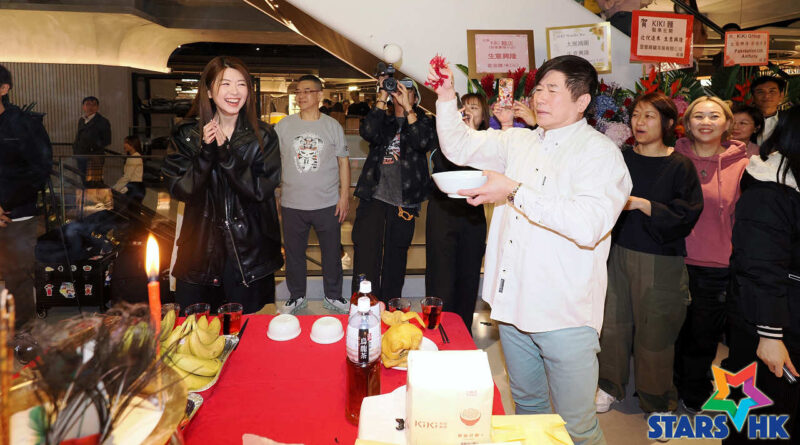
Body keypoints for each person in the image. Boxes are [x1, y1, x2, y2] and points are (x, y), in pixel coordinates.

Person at [429, 54, 632, 445]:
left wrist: (514, 191)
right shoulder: (519, 141)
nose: (540, 97)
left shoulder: (599, 154)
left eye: (552, 89)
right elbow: (459, 146)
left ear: (582, 101)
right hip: (512, 308)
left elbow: (588, 225)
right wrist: (445, 96)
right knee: (528, 411)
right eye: (538, 88)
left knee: (577, 426)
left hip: (564, 314)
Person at [595, 92, 703, 415]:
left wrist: (644, 205)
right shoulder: (621, 158)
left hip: (660, 259)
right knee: (612, 325)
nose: (639, 123)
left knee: (655, 332)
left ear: (668, 123)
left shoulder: (680, 165)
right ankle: (609, 386)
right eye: (636, 115)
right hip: (616, 253)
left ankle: (657, 400)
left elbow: (687, 214)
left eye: (649, 116)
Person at [162, 56, 282, 314]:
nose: (234, 92)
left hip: (249, 254)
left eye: (241, 84)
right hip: (200, 251)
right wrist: (206, 153)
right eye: (225, 84)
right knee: (197, 329)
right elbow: (181, 189)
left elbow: (260, 190)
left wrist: (226, 154)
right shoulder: (186, 134)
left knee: (246, 329)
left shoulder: (263, 135)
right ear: (208, 91)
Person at [723, 106, 800, 444]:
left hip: (787, 314)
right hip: (772, 322)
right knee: (763, 413)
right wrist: (770, 335)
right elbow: (759, 266)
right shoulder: (770, 189)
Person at [672, 96, 749, 414]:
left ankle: (694, 388)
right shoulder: (672, 159)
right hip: (672, 260)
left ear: (727, 123)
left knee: (703, 335)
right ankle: (665, 386)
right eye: (699, 116)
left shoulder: (744, 165)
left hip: (717, 265)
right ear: (687, 123)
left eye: (714, 116)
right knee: (670, 331)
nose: (706, 122)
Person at [351, 77, 435, 302]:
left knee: (395, 258)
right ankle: (364, 304)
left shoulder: (425, 122)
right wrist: (382, 96)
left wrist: (408, 109)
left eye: (408, 91)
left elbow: (422, 142)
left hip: (404, 201)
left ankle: (390, 307)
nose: (401, 93)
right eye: (397, 89)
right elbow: (368, 131)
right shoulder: (383, 120)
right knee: (366, 255)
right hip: (373, 196)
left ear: (416, 98)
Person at [275, 75, 351, 314]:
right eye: (298, 91)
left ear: (319, 95)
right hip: (292, 203)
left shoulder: (332, 126)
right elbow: (273, 162)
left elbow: (343, 162)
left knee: (332, 253)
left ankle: (333, 296)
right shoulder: (283, 126)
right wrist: (276, 193)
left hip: (327, 203)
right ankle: (297, 296)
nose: (301, 96)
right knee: (294, 254)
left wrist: (344, 196)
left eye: (307, 91)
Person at [425, 93, 490, 333]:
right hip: (442, 212)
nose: (468, 111)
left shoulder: (489, 142)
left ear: (483, 116)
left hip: (472, 215)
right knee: (440, 275)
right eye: (464, 107)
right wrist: (458, 133)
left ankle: (462, 333)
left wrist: (471, 135)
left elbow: (487, 172)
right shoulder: (444, 137)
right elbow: (442, 166)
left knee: (468, 275)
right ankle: (438, 330)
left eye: (474, 107)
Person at [0, 64, 53, 329]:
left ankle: (21, 336)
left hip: (17, 215)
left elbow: (40, 169)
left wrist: (5, 204)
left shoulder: (24, 125)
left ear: (4, 89)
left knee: (17, 277)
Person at [72, 96, 111, 184]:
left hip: (94, 157)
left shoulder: (103, 121)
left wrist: (93, 148)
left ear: (97, 107)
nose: (90, 107)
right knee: (84, 181)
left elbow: (107, 140)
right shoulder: (81, 120)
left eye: (93, 105)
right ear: (83, 106)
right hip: (81, 156)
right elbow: (78, 137)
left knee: (94, 182)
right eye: (88, 104)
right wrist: (75, 150)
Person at [112, 135, 145, 214]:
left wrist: (115, 188)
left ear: (132, 144)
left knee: (132, 212)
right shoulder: (135, 156)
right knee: (133, 212)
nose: (124, 145)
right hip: (136, 186)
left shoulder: (134, 157)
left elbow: (127, 177)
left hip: (134, 187)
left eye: (126, 143)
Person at [751, 75, 786, 145]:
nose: (766, 96)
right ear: (752, 97)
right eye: (760, 92)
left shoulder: (790, 120)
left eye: (772, 91)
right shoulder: (744, 120)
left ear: (781, 95)